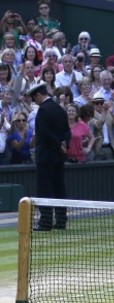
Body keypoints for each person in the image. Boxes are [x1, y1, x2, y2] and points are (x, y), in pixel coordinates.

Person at [27, 82, 70, 231]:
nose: (35, 102)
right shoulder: (59, 108)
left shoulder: (43, 110)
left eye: (35, 99)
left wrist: (59, 144)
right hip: (59, 156)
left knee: (44, 189)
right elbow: (66, 132)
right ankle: (61, 221)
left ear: (39, 95)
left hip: (46, 156)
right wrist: (64, 145)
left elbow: (44, 133)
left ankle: (45, 223)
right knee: (59, 188)